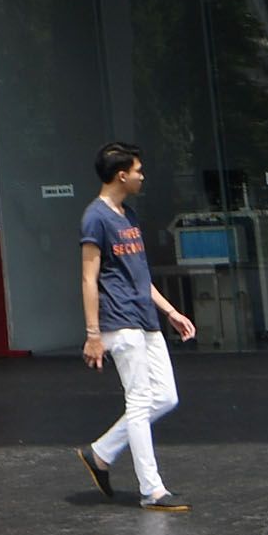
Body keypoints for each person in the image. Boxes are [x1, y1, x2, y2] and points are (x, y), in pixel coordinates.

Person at [76, 142, 196, 512]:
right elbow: (88, 277)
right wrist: (93, 334)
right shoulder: (95, 218)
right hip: (119, 321)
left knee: (166, 396)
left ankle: (100, 452)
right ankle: (153, 490)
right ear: (121, 174)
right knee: (141, 401)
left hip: (145, 317)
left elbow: (140, 276)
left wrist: (170, 312)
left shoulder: (128, 216)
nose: (143, 176)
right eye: (139, 170)